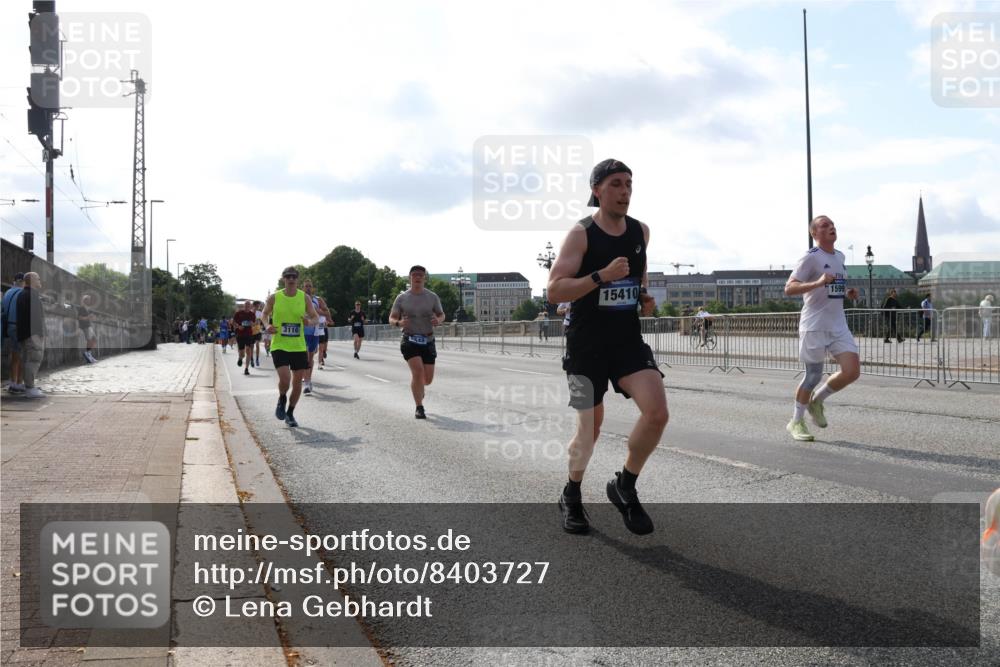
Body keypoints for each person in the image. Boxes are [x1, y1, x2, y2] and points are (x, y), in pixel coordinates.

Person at [547, 158, 664, 536]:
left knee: (657, 413)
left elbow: (635, 279)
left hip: (627, 341)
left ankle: (624, 485)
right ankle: (572, 492)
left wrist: (643, 296)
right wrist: (599, 276)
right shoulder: (581, 234)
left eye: (629, 183)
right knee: (588, 431)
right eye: (616, 183)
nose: (625, 191)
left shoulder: (641, 232)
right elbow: (555, 290)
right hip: (585, 346)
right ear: (596, 189)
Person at [783, 215, 861, 442]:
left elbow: (834, 286)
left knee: (852, 371)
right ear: (814, 234)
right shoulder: (810, 258)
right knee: (813, 375)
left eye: (832, 224)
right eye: (824, 225)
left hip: (838, 324)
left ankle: (816, 401)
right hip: (814, 325)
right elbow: (789, 288)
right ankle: (796, 421)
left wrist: (848, 293)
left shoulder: (840, 256)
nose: (831, 227)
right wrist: (817, 282)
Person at [261, 267, 318, 427]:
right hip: (279, 344)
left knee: (298, 382)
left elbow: (315, 317)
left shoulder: (304, 298)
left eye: (294, 276)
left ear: (297, 279)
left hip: (298, 346)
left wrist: (309, 321)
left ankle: (290, 413)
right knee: (285, 379)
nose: (291, 279)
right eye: (288, 276)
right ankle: (281, 398)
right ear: (283, 279)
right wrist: (267, 325)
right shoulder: (275, 297)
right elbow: (264, 314)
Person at [389, 265, 445, 419]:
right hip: (410, 339)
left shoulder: (432, 297)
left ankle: (420, 389)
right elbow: (392, 317)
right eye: (415, 275)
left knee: (427, 380)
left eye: (421, 275)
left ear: (425, 278)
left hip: (428, 339)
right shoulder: (402, 298)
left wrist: (438, 320)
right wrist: (398, 323)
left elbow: (441, 314)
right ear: (410, 278)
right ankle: (419, 407)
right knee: (418, 372)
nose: (418, 277)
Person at [15, 272, 46, 399]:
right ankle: (30, 388)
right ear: (32, 280)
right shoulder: (31, 295)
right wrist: (40, 334)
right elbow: (36, 318)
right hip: (32, 335)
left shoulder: (22, 294)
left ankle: (29, 386)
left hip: (24, 334)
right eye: (38, 279)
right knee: (33, 360)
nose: (40, 281)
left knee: (28, 360)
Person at [300, 279, 330, 393]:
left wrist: (317, 311)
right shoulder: (299, 299)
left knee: (310, 358)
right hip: (303, 333)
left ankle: (308, 380)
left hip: (314, 332)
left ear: (312, 288)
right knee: (304, 357)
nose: (308, 288)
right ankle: (306, 382)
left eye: (310, 286)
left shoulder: (317, 300)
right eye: (306, 286)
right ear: (303, 288)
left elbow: (327, 312)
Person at [2, 273, 26, 394]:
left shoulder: (7, 293)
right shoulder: (22, 293)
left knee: (15, 355)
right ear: (23, 281)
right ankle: (18, 383)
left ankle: (13, 382)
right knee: (21, 356)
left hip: (9, 326)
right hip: (18, 326)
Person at [233, 300, 256, 375]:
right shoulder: (238, 313)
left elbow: (254, 323)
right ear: (244, 306)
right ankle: (240, 358)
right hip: (240, 335)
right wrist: (238, 326)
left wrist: (253, 324)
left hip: (249, 334)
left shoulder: (252, 314)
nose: (247, 307)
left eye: (248, 305)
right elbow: (233, 322)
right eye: (246, 305)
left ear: (250, 306)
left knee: (248, 350)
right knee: (242, 353)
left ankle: (246, 369)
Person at [77, 294, 98, 363]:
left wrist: (91, 318)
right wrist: (88, 317)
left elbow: (88, 317)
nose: (89, 301)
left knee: (94, 339)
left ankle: (88, 354)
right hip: (85, 326)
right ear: (85, 300)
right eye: (88, 299)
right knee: (90, 340)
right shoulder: (81, 308)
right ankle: (88, 355)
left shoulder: (87, 308)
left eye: (90, 299)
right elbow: (80, 318)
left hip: (89, 326)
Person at [253, 300, 264, 366]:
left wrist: (259, 322)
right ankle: (251, 359)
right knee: (251, 346)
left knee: (257, 344)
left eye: (259, 306)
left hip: (258, 331)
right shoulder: (250, 313)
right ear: (254, 306)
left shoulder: (259, 313)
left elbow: (261, 321)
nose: (259, 307)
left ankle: (257, 359)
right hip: (251, 332)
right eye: (258, 306)